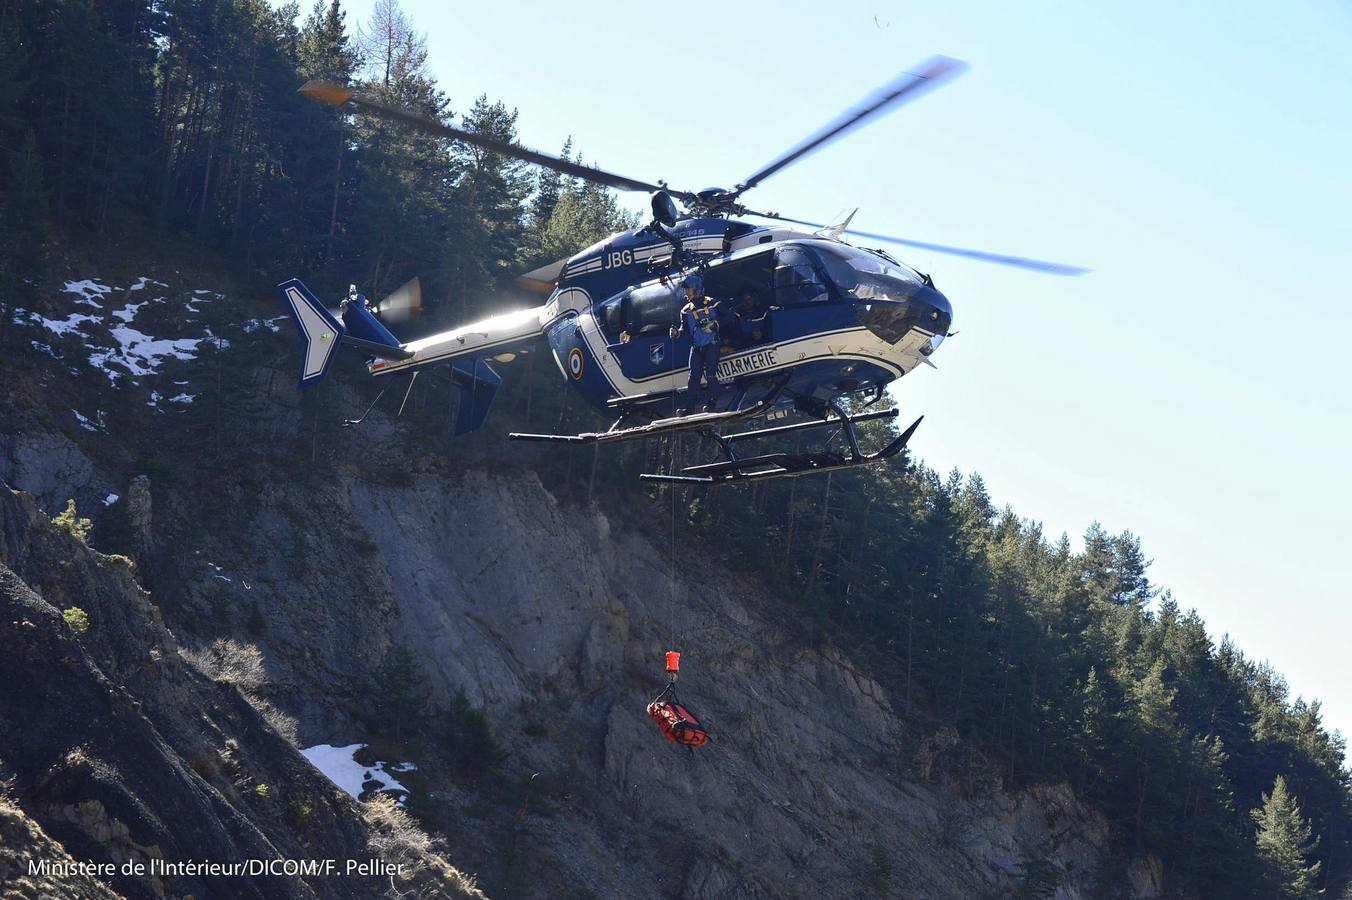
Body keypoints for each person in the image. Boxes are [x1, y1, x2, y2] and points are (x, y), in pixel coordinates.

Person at [669, 274, 725, 412]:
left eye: (688, 289)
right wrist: (677, 333)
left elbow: (731, 317)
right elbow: (685, 330)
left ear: (697, 289)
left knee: (710, 374)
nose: (686, 292)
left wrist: (715, 324)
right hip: (696, 348)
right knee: (693, 377)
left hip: (712, 345)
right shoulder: (685, 311)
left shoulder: (713, 303)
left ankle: (713, 402)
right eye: (685, 289)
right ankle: (690, 408)